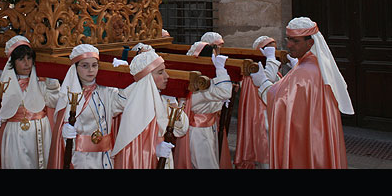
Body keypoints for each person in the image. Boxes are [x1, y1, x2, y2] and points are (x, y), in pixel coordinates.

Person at [250, 17, 354, 169]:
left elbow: (280, 100)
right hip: (317, 136)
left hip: (307, 138)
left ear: (310, 43)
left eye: (295, 41)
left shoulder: (304, 71)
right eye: (289, 39)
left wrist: (263, 83)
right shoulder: (316, 65)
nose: (289, 44)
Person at [48, 43, 127, 169]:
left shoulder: (106, 91)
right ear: (75, 68)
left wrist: (123, 77)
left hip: (105, 155)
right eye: (85, 66)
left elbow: (122, 103)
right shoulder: (69, 94)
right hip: (81, 157)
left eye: (94, 65)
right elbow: (61, 122)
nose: (91, 70)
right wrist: (64, 129)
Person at [112, 47, 189, 169]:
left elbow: (181, 130)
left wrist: (173, 102)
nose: (167, 76)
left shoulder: (165, 100)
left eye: (165, 71)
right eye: (160, 72)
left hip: (164, 156)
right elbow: (132, 144)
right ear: (147, 78)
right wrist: (153, 149)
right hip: (140, 159)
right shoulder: (132, 103)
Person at [0, 35, 60, 169]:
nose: (27, 63)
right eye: (21, 59)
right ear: (12, 62)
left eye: (29, 58)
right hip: (15, 133)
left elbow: (54, 102)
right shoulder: (4, 84)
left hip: (40, 129)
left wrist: (52, 85)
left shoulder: (40, 81)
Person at [176, 32, 233, 169]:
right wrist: (221, 69)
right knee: (206, 164)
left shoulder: (202, 80)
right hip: (199, 131)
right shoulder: (200, 85)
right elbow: (225, 92)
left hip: (207, 127)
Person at [234, 35, 282, 169]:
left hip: (273, 115)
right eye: (270, 50)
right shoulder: (255, 70)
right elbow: (269, 79)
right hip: (261, 116)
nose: (274, 52)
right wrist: (271, 59)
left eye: (275, 50)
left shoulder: (271, 69)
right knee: (265, 154)